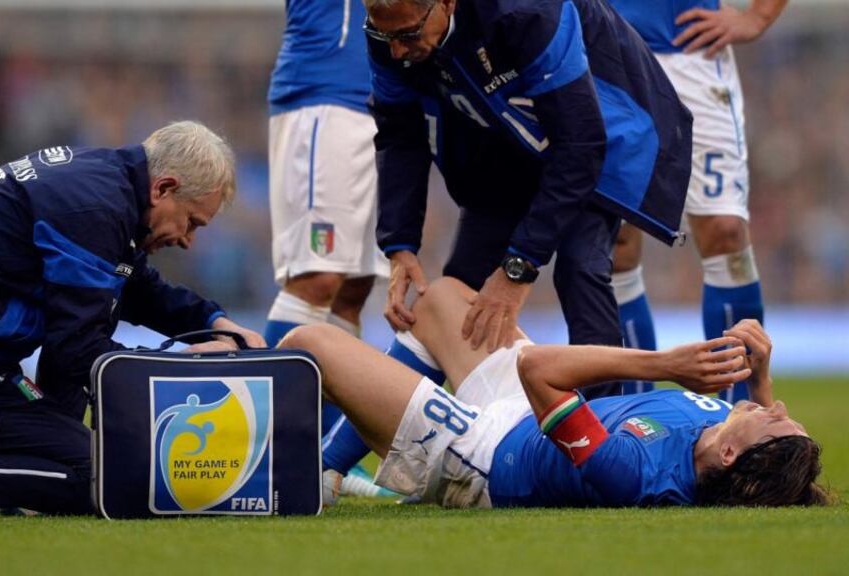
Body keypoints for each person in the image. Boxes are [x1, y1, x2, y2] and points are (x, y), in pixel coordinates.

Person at [0, 121, 265, 519]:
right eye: (192, 222)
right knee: (106, 477)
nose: (189, 241)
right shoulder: (93, 208)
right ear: (164, 188)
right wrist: (183, 366)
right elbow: (77, 349)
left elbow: (135, 288)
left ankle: (27, 489)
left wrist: (217, 322)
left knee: (85, 449)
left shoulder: (105, 186)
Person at [365, 0, 693, 397]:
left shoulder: (527, 12)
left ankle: (605, 440)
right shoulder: (389, 32)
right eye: (386, 35)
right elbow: (400, 134)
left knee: (579, 268)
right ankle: (353, 450)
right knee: (455, 293)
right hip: (506, 146)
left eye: (407, 35)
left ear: (448, 4)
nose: (396, 49)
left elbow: (580, 143)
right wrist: (400, 244)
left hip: (599, 135)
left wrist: (517, 270)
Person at [281, 277, 828, 508]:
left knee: (311, 343)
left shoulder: (636, 473)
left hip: (480, 458)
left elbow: (539, 369)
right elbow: (753, 446)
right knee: (440, 299)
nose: (777, 406)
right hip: (520, 416)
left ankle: (309, 473)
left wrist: (663, 363)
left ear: (731, 454)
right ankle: (330, 470)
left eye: (776, 419)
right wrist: (759, 376)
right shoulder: (724, 435)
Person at [606, 0, 788, 401]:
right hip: (607, 51)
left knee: (725, 232)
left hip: (692, 53)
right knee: (615, 244)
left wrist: (756, 16)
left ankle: (741, 416)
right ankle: (634, 417)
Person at [265, 0, 389, 385]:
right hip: (324, 100)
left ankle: (322, 436)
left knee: (353, 288)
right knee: (318, 277)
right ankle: (264, 427)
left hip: (385, 105)